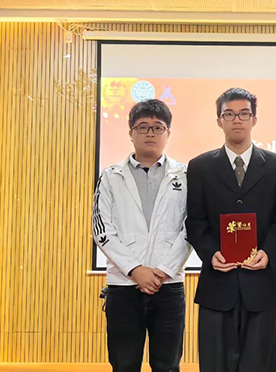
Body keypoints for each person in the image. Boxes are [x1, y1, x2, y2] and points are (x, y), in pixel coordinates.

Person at [186, 87, 276, 372]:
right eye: (229, 114)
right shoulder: (199, 167)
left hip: (262, 284)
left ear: (254, 119)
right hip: (217, 284)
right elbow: (195, 221)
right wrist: (211, 253)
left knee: (260, 365)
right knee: (215, 364)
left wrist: (269, 253)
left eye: (244, 114)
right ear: (219, 120)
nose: (237, 120)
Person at [92, 99, 192, 372]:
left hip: (168, 284)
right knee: (124, 364)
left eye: (158, 127)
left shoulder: (185, 175)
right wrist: (135, 269)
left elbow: (191, 227)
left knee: (167, 365)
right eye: (143, 127)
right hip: (124, 286)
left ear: (168, 133)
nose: (150, 133)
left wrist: (163, 270)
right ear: (131, 132)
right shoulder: (110, 176)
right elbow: (102, 230)